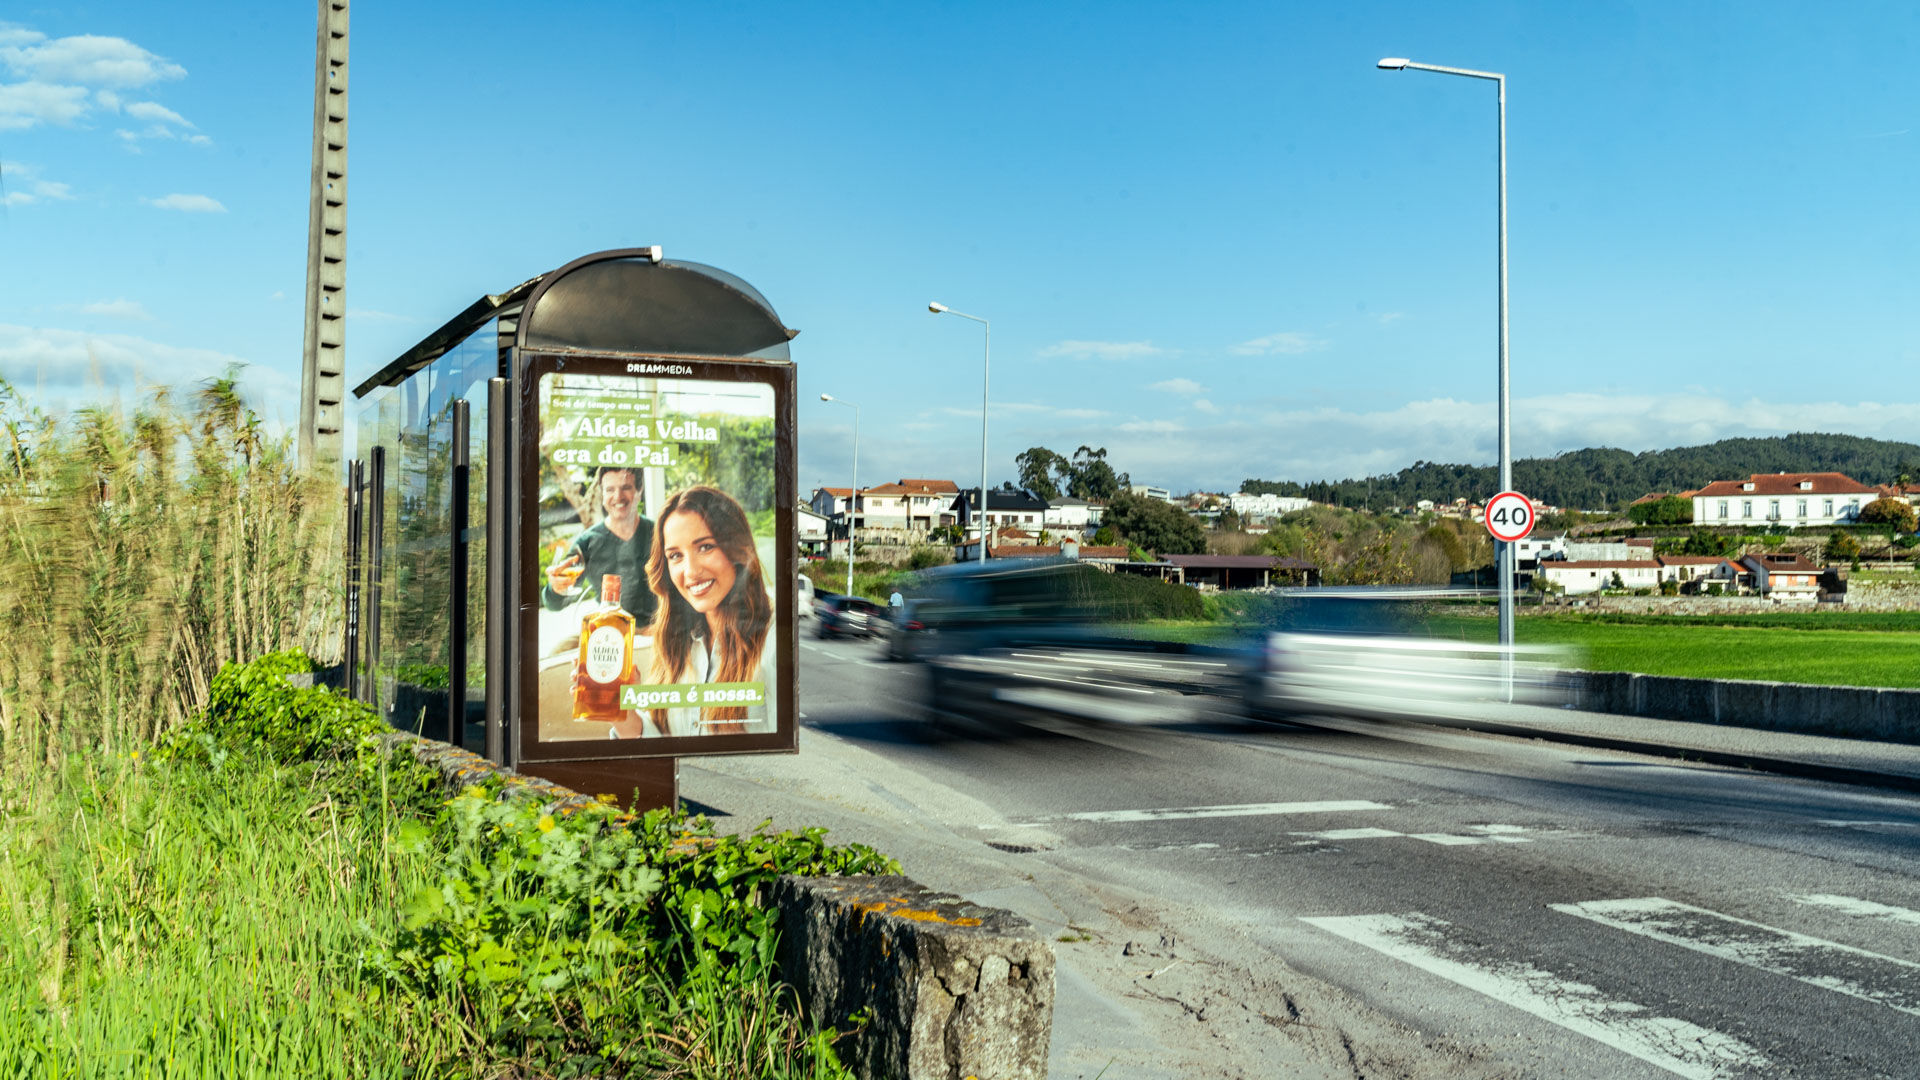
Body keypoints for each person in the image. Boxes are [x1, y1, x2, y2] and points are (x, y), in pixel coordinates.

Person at [610, 485, 775, 738]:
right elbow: (666, 744)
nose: (691, 571)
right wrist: (621, 713)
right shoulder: (675, 640)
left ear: (738, 549)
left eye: (705, 547)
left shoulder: (774, 642)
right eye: (675, 555)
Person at [543, 465, 658, 626]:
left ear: (639, 491)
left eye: (625, 488)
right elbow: (554, 605)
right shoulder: (586, 542)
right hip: (608, 629)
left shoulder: (660, 533)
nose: (618, 496)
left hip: (656, 630)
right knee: (563, 643)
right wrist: (556, 588)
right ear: (602, 495)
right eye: (610, 490)